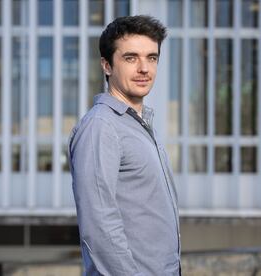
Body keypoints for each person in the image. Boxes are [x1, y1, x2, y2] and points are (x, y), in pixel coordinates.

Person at [68, 15, 181, 276]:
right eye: (131, 58)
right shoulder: (101, 127)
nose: (144, 68)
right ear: (107, 66)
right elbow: (99, 227)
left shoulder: (140, 126)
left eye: (151, 58)